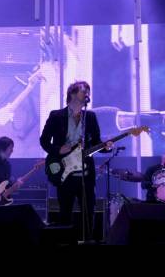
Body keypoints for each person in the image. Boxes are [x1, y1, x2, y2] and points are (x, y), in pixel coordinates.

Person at [40, 81, 112, 240]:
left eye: (88, 91)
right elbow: (44, 141)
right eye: (83, 90)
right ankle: (65, 242)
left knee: (88, 211)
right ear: (72, 94)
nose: (87, 93)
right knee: (65, 212)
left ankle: (88, 241)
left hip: (86, 173)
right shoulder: (56, 116)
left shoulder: (90, 117)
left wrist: (106, 147)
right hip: (64, 171)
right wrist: (58, 149)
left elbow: (96, 143)